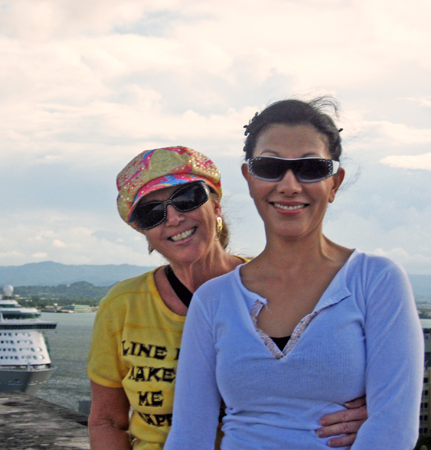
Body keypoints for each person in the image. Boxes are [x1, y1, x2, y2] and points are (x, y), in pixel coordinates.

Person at [164, 99, 424, 450]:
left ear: (334, 182)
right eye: (270, 166)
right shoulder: (213, 300)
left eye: (311, 167)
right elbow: (188, 436)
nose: (289, 185)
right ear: (249, 177)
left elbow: (392, 431)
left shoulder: (376, 281)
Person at [87, 145, 368, 450]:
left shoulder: (288, 288)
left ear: (216, 206)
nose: (173, 218)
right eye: (150, 212)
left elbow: (344, 379)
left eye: (186, 198)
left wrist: (370, 412)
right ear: (143, 232)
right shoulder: (123, 305)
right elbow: (107, 420)